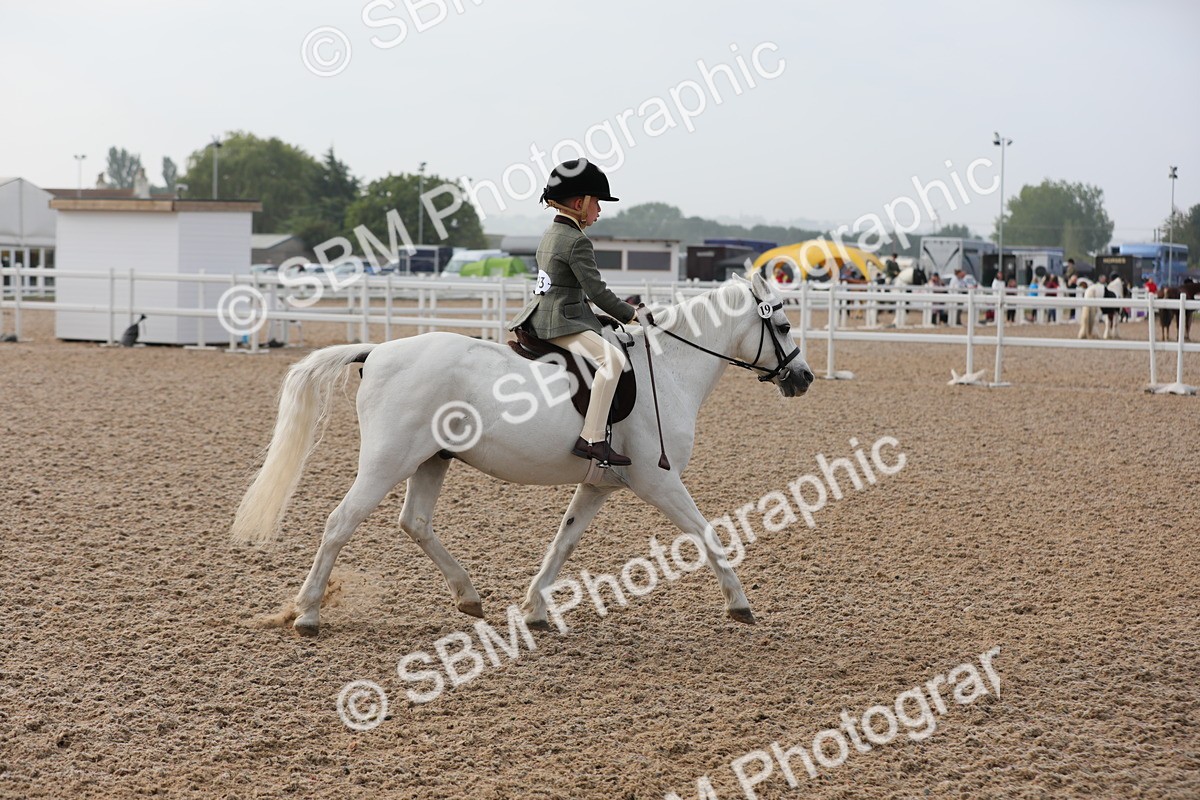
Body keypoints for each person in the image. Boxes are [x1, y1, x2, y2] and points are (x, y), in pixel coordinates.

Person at [507, 159, 638, 466]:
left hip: (541, 312)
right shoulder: (577, 241)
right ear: (580, 204)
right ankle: (591, 439)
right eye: (597, 204)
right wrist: (630, 315)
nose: (600, 211)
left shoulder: (552, 232)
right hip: (556, 322)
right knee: (613, 359)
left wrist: (595, 317)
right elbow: (597, 291)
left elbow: (567, 289)